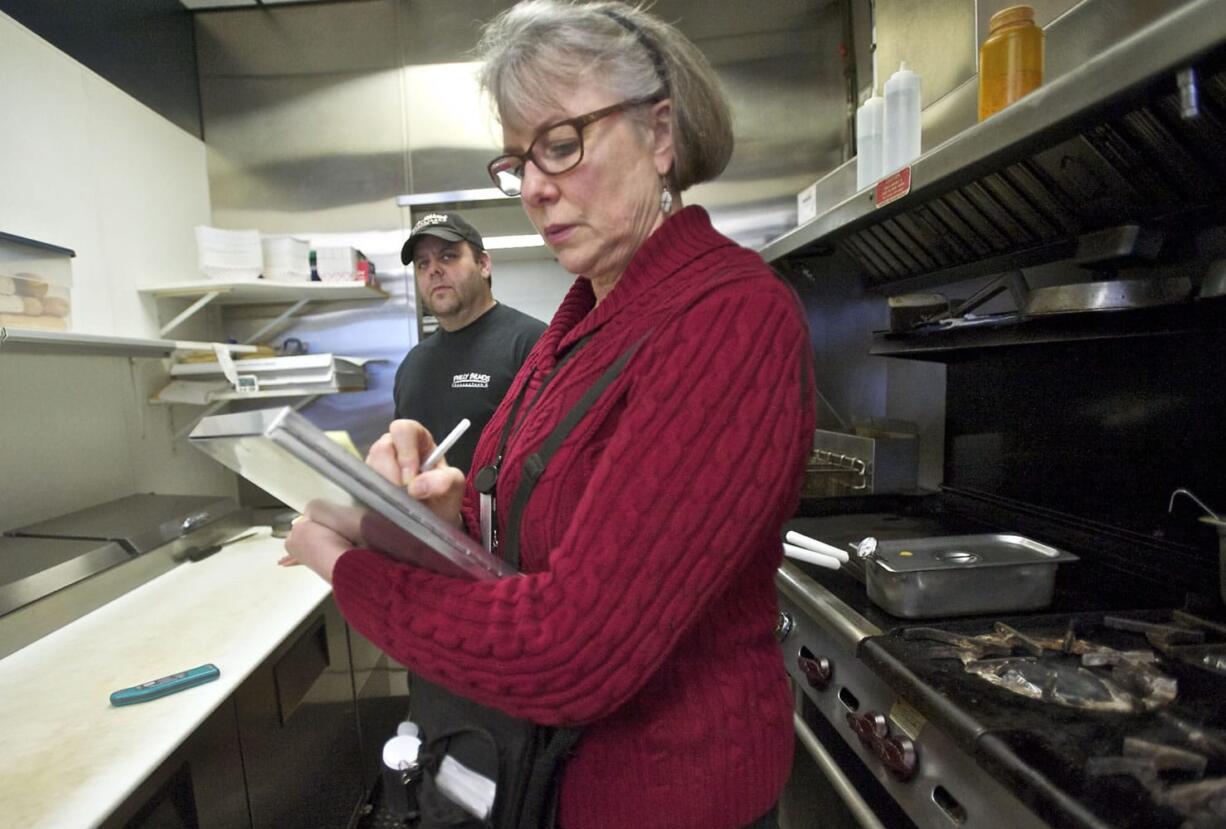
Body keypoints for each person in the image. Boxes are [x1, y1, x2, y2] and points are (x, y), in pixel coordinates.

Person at [286, 3, 815, 828]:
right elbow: (533, 532)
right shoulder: (580, 324)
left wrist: (344, 566)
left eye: (561, 146)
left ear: (661, 133)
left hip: (672, 797)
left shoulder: (728, 318)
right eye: (518, 160)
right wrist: (437, 514)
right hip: (550, 776)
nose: (534, 187)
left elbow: (572, 648)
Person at [393, 211, 546, 474]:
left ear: (484, 264)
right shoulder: (413, 363)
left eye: (448, 256)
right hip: (420, 514)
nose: (434, 270)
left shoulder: (532, 343)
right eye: (422, 263)